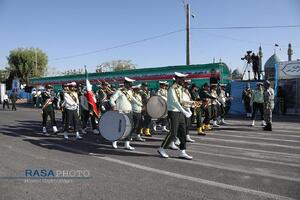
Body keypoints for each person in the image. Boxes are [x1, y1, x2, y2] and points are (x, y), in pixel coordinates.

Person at [157, 72, 193, 160]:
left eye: (184, 79)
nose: (184, 81)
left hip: (180, 112)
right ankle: (162, 148)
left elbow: (181, 101)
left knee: (183, 132)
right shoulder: (172, 89)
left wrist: (189, 106)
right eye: (182, 79)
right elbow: (175, 102)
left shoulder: (180, 88)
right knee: (173, 133)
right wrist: (184, 112)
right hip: (173, 112)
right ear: (177, 79)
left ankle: (182, 151)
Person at [109, 77, 143, 150]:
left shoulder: (129, 92)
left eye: (131, 85)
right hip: (121, 112)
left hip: (129, 112)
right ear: (125, 84)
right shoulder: (119, 91)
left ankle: (127, 144)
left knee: (130, 128)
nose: (131, 87)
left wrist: (140, 104)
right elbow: (112, 99)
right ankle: (115, 141)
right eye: (129, 85)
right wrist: (114, 106)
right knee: (119, 128)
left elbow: (132, 99)